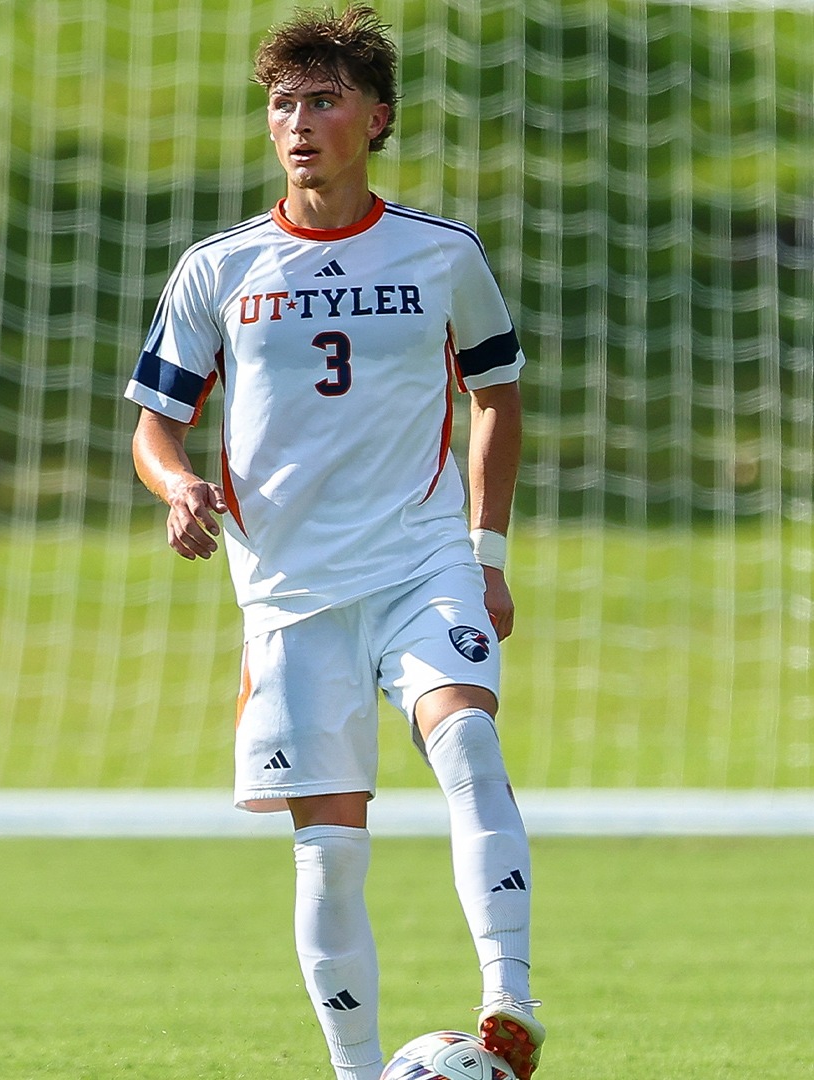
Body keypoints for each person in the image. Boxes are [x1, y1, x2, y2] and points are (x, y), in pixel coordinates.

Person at [124, 6, 543, 1078]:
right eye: (282, 103)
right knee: (330, 852)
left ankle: (510, 996)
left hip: (419, 560)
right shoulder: (219, 269)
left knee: (470, 743)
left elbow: (497, 392)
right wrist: (177, 487)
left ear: (375, 118)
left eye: (323, 100)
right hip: (291, 595)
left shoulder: (443, 255)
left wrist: (486, 556)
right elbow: (154, 426)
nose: (299, 121)